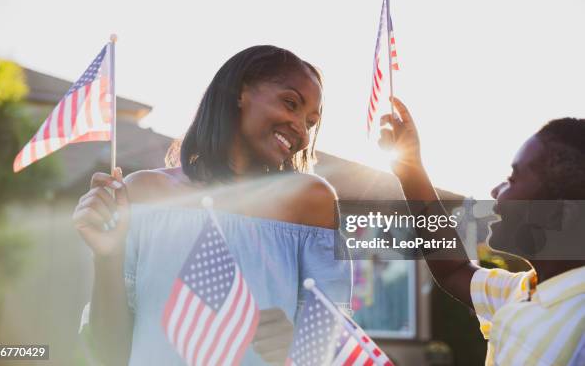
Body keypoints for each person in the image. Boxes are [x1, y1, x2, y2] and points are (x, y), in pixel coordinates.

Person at [73, 46, 352, 365]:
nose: (302, 132)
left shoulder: (310, 203)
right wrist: (107, 257)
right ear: (239, 92)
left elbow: (335, 343)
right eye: (291, 103)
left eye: (311, 122)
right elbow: (110, 353)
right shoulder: (144, 192)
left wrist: (299, 345)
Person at [379, 97, 585, 366]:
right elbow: (453, 270)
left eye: (512, 178)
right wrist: (410, 169)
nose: (495, 191)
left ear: (559, 213)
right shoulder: (525, 290)